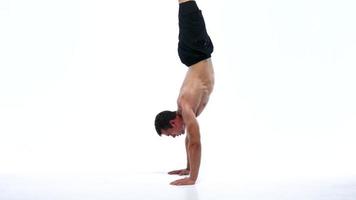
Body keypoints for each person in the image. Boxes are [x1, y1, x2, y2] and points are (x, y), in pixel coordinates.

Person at [154, 0, 214, 186]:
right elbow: (189, 139)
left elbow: (195, 142)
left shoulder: (186, 106)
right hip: (195, 52)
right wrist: (188, 168)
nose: (174, 136)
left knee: (186, 4)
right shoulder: (186, 112)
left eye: (170, 133)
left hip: (195, 50)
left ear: (173, 122)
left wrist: (192, 178)